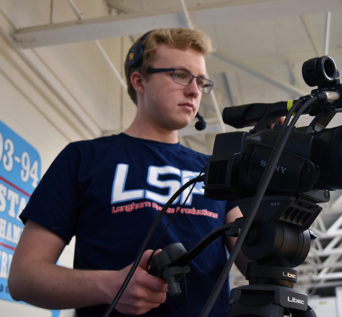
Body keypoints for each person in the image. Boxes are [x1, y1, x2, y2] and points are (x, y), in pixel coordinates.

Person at [8, 28, 247, 316]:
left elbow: (256, 260)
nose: (194, 90)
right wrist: (109, 285)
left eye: (200, 81)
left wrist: (274, 187)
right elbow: (24, 277)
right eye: (180, 75)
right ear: (139, 81)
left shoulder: (215, 170)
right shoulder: (83, 158)